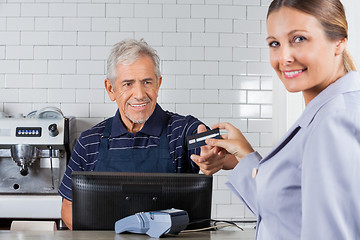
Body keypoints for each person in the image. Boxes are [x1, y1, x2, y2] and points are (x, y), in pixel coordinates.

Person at [191, 0, 360, 239]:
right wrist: (243, 156)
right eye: (275, 43)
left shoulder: (335, 121)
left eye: (299, 39)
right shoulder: (324, 112)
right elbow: (285, 217)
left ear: (338, 42)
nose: (284, 57)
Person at [58, 38, 226, 230]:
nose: (139, 94)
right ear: (111, 89)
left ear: (158, 84)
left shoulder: (181, 131)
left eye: (147, 82)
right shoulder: (89, 142)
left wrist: (215, 156)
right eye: (128, 84)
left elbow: (214, 146)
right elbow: (68, 206)